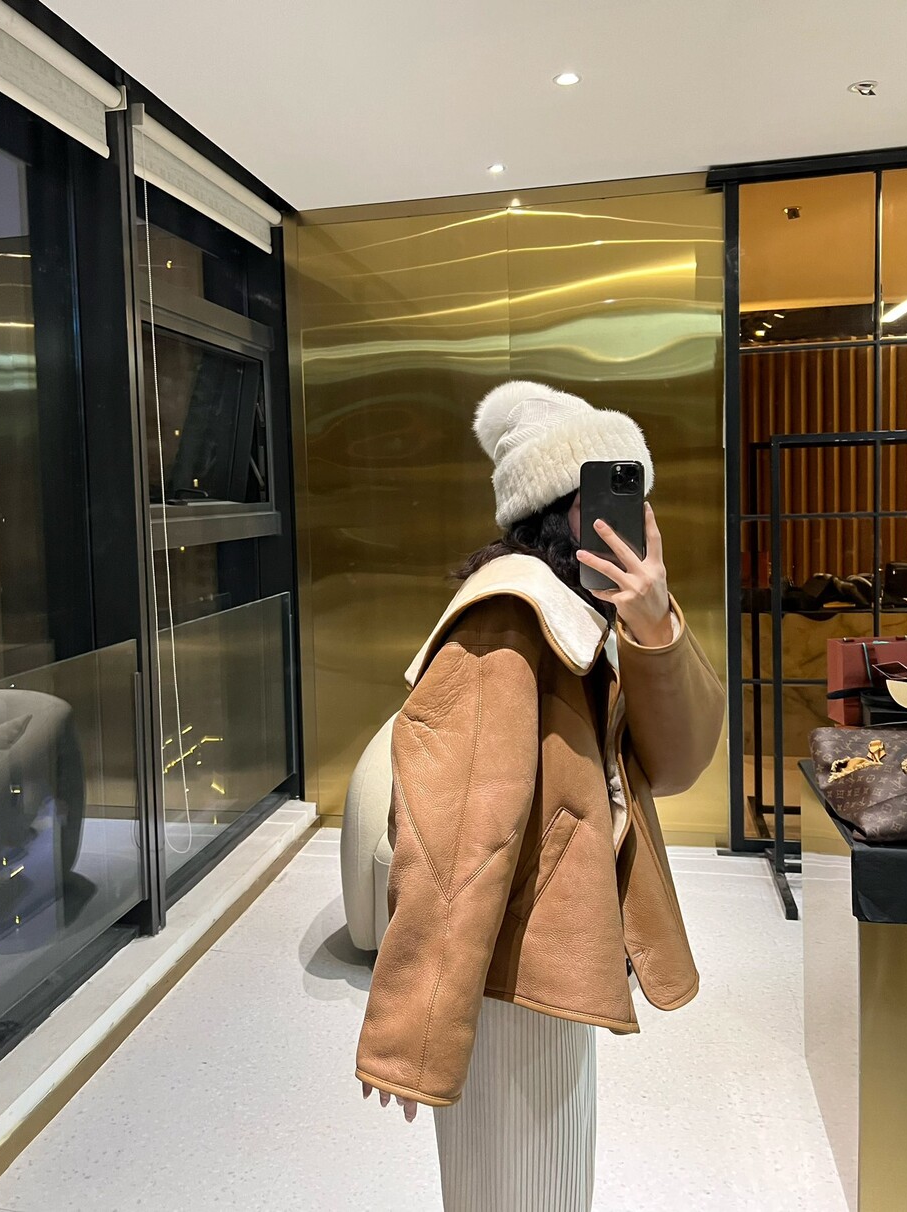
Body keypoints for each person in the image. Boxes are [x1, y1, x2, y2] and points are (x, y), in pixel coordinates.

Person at [355, 380, 724, 1211]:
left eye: (639, 498)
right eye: (611, 498)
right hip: (506, 977)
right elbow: (456, 838)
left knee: (544, 1185)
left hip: (556, 959)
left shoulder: (587, 615)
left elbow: (677, 764)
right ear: (559, 512)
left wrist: (655, 624)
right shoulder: (507, 623)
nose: (635, 521)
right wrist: (413, 1033)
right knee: (519, 1189)